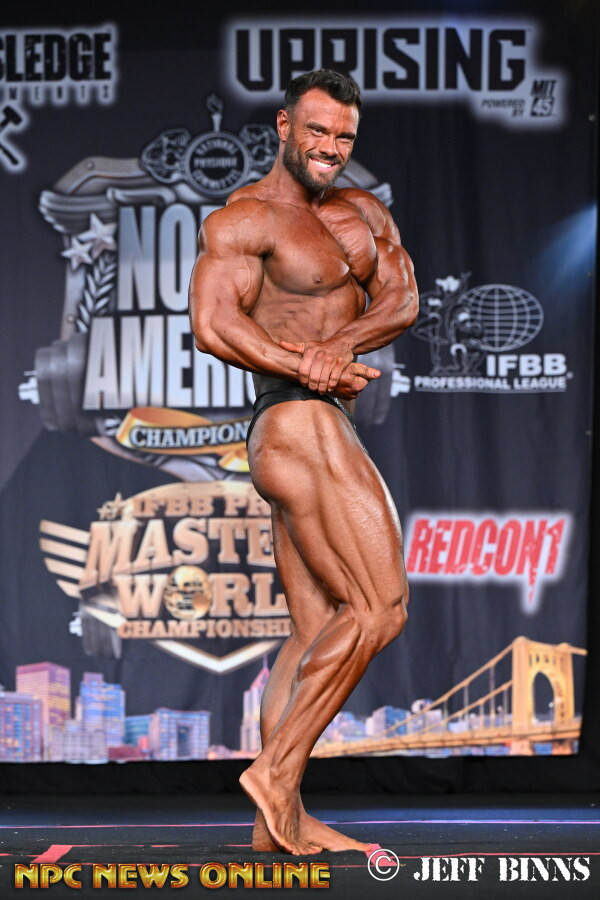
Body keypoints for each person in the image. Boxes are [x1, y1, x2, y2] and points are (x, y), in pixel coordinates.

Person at [189, 69, 418, 856]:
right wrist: (304, 362)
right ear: (284, 126)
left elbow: (402, 299)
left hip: (319, 423)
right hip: (295, 419)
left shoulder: (364, 213)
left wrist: (339, 344)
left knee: (316, 627)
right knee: (382, 608)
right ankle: (276, 772)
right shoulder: (247, 218)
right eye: (316, 130)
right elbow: (213, 323)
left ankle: (275, 823)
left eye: (343, 136)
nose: (329, 147)